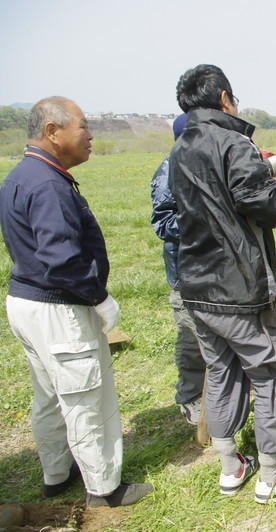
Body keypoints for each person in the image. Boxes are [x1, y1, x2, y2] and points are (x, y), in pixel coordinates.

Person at [0, 96, 152, 507]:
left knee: (49, 394)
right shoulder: (48, 185)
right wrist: (99, 298)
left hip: (27, 302)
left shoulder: (22, 175)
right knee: (86, 397)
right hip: (59, 309)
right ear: (52, 132)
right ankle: (104, 489)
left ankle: (56, 473)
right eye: (83, 126)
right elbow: (62, 259)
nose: (90, 135)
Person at [168, 64, 276, 503]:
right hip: (239, 287)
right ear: (225, 99)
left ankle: (231, 467)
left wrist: (262, 167)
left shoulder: (180, 147)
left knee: (222, 371)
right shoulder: (234, 142)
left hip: (197, 285)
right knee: (273, 374)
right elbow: (257, 203)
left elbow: (217, 193)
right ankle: (271, 475)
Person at [149, 113, 205, 425]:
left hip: (216, 272)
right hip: (186, 274)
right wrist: (205, 219)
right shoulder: (169, 170)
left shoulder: (208, 166)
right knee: (192, 337)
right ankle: (190, 396)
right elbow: (163, 222)